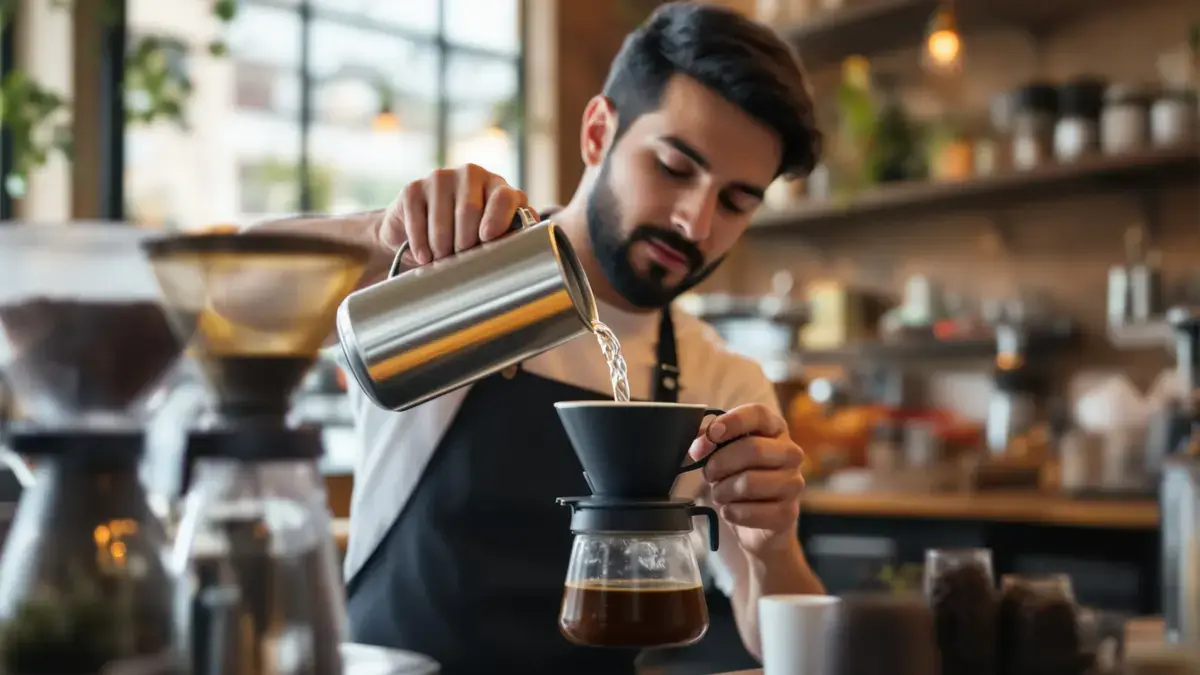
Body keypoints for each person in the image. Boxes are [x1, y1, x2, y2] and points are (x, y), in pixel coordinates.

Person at [254, 3, 825, 673]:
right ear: (596, 133)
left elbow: (788, 644)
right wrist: (394, 238)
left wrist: (772, 545)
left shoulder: (720, 381)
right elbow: (229, 293)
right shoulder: (460, 290)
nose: (695, 223)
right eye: (673, 166)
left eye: (735, 202)